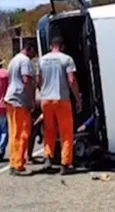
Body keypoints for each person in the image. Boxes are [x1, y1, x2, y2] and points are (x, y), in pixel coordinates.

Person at [36, 35, 82, 175]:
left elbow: (38, 80)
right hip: (61, 99)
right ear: (62, 47)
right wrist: (78, 99)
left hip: (46, 100)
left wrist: (43, 91)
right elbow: (72, 80)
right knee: (66, 132)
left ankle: (48, 158)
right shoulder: (67, 59)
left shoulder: (42, 60)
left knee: (49, 130)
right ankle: (66, 163)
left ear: (51, 46)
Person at [4, 43, 37, 176]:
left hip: (10, 99)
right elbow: (26, 80)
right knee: (23, 133)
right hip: (20, 101)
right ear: (29, 49)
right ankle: (18, 164)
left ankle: (13, 161)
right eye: (34, 53)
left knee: (13, 133)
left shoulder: (13, 60)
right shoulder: (25, 61)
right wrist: (31, 100)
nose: (34, 56)